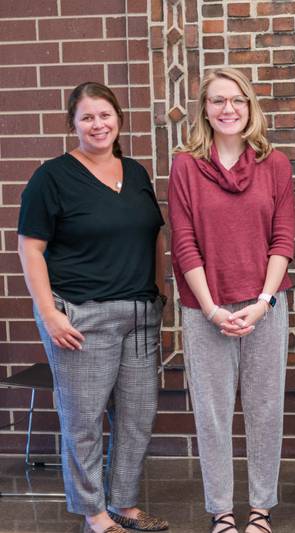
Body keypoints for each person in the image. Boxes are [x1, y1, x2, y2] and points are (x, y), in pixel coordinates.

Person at [17, 82, 168, 533]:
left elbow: (155, 236)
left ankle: (123, 503)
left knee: (138, 417)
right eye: (87, 117)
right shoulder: (52, 177)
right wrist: (49, 314)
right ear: (73, 125)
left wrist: (159, 295)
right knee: (83, 422)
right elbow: (30, 249)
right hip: (80, 316)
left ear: (119, 119)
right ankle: (94, 514)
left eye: (105, 115)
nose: (97, 125)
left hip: (140, 315)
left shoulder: (136, 173)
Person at [168, 67, 295, 533]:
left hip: (264, 305)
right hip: (206, 309)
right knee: (214, 414)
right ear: (204, 109)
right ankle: (221, 511)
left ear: (250, 107)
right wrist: (211, 309)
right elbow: (184, 242)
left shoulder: (274, 164)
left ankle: (261, 508)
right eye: (219, 101)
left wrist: (262, 302)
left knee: (264, 410)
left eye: (238, 100)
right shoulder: (186, 165)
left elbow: (283, 239)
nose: (229, 109)